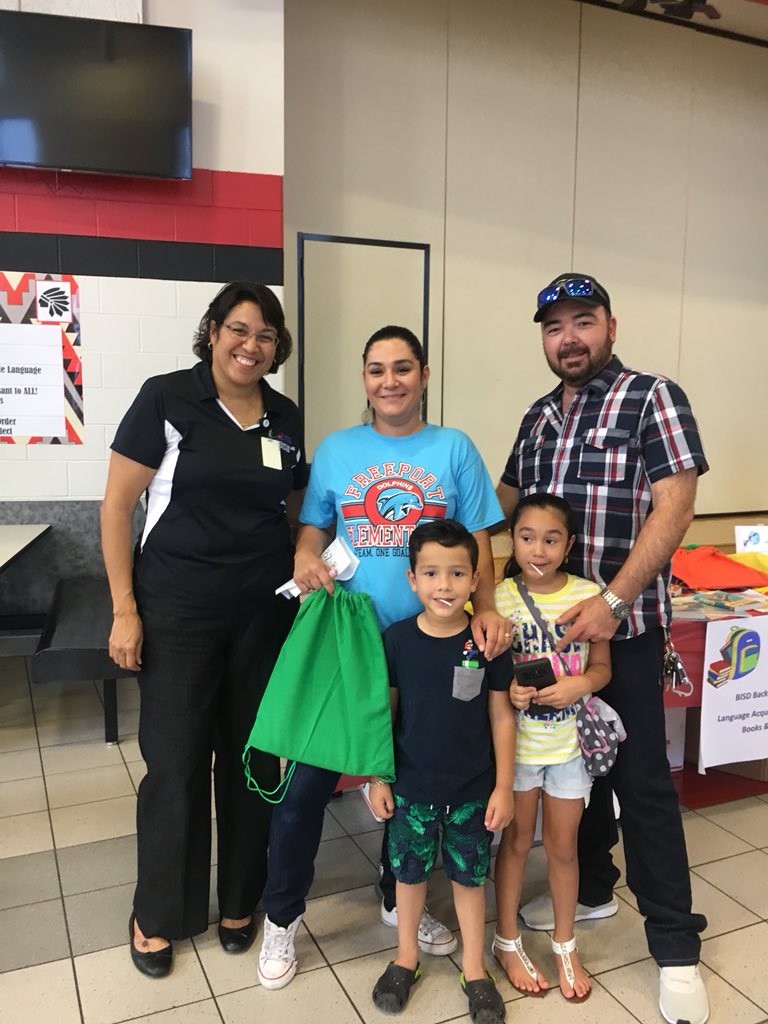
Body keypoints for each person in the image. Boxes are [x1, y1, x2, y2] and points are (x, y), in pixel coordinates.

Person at [256, 325, 509, 990]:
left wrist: (484, 607)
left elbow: (479, 539)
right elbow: (313, 528)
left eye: (402, 368)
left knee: (416, 790)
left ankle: (401, 898)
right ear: (363, 379)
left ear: (424, 375)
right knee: (305, 788)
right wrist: (306, 555)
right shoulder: (338, 450)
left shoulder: (454, 448)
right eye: (376, 370)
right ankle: (280, 918)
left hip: (433, 651)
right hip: (353, 648)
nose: (389, 381)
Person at [496, 273, 709, 1024]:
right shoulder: (537, 417)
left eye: (583, 322)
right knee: (563, 767)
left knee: (641, 783)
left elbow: (675, 505)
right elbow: (505, 505)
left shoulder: (653, 398)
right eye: (554, 327)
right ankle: (590, 886)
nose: (569, 338)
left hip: (625, 631)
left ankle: (676, 949)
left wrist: (612, 601)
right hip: (543, 642)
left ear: (611, 327)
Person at [100, 282, 307, 977]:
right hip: (178, 613)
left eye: (267, 335)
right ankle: (158, 914)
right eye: (239, 330)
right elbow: (116, 507)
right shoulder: (166, 397)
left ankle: (238, 902)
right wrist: (125, 609)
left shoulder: (284, 416)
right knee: (177, 766)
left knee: (253, 764)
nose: (252, 345)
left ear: (278, 347)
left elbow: (294, 509)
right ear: (213, 331)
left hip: (262, 617)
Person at [368, 520, 516, 1020]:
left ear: (476, 579)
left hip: (473, 790)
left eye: (457, 574)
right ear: (412, 579)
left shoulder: (488, 643)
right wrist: (378, 776)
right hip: (410, 789)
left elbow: (501, 715)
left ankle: (474, 969)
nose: (444, 585)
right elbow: (383, 716)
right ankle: (405, 957)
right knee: (407, 877)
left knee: (470, 880)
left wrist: (504, 786)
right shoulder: (396, 641)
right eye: (431, 573)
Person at [492, 493, 611, 1001]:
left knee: (563, 849)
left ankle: (566, 944)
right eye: (526, 537)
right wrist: (514, 693)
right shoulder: (498, 598)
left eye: (551, 538)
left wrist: (579, 685)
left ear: (570, 544)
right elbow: (487, 679)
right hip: (517, 750)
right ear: (512, 540)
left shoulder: (589, 595)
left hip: (568, 747)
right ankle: (506, 939)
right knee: (515, 844)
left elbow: (602, 667)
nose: (537, 549)